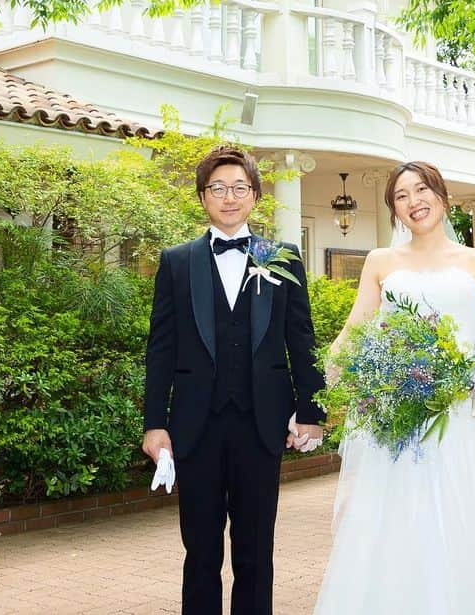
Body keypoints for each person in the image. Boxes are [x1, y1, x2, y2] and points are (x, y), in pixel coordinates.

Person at [313, 160, 475, 614]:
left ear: (442, 196)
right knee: (397, 526)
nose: (413, 202)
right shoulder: (381, 262)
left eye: (421, 190)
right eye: (401, 197)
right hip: (397, 422)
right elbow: (353, 332)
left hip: (461, 418)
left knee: (469, 523)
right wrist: (326, 381)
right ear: (394, 212)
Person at [142, 145, 325, 615]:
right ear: (203, 197)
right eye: (218, 188)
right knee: (200, 551)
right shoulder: (177, 262)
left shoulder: (280, 256)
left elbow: (300, 339)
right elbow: (161, 347)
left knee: (256, 552)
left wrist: (312, 411)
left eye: (239, 188)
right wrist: (154, 423)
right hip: (195, 426)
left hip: (261, 425)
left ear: (255, 195)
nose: (229, 197)